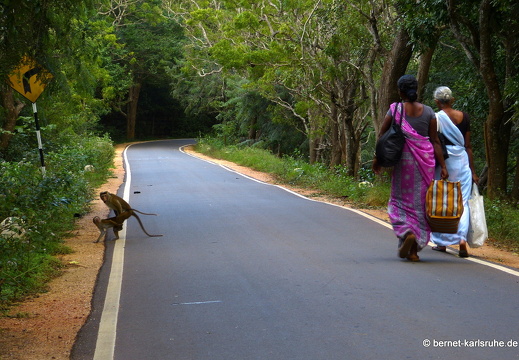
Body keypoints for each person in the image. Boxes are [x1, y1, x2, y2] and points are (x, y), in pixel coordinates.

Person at [373, 75, 448, 262]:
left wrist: (378, 158)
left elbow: (383, 134)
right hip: (425, 163)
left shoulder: (395, 109)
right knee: (420, 205)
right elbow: (435, 141)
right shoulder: (430, 112)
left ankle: (407, 233)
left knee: (399, 202)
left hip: (403, 164)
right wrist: (444, 166)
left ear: (400, 91)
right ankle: (413, 251)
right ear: (416, 89)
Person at [430, 86, 479, 257]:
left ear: (437, 101)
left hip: (446, 162)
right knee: (462, 202)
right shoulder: (464, 116)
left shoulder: (436, 118)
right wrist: (473, 171)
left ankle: (442, 243)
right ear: (452, 100)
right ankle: (462, 240)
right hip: (463, 162)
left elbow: (436, 144)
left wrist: (442, 167)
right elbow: (468, 146)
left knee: (443, 201)